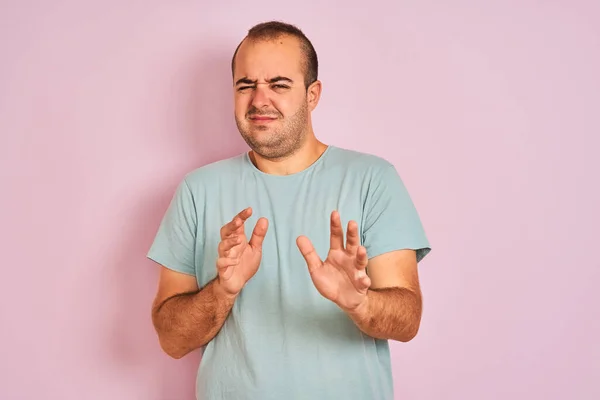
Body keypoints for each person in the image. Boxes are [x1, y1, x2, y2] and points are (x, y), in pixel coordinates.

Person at [147, 20, 431, 400]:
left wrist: (359, 302)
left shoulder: (373, 179)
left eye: (279, 85)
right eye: (245, 85)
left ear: (313, 94)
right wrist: (223, 291)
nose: (259, 99)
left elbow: (407, 320)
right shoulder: (197, 190)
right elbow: (172, 340)